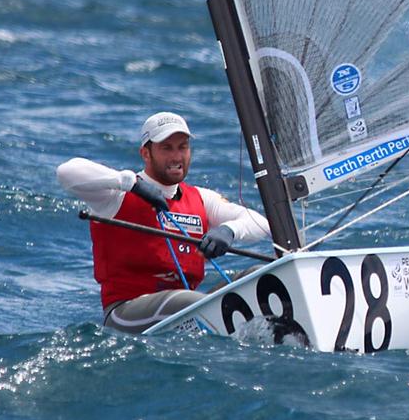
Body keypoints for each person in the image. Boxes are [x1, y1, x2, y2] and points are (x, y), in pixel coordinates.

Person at [57, 112, 270, 334]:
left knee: (260, 275)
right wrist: (131, 184)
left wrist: (229, 230)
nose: (177, 156)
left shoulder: (201, 198)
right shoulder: (115, 196)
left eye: (183, 147)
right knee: (194, 303)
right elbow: (67, 172)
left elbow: (261, 223)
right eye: (166, 148)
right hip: (126, 313)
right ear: (146, 154)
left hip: (187, 306)